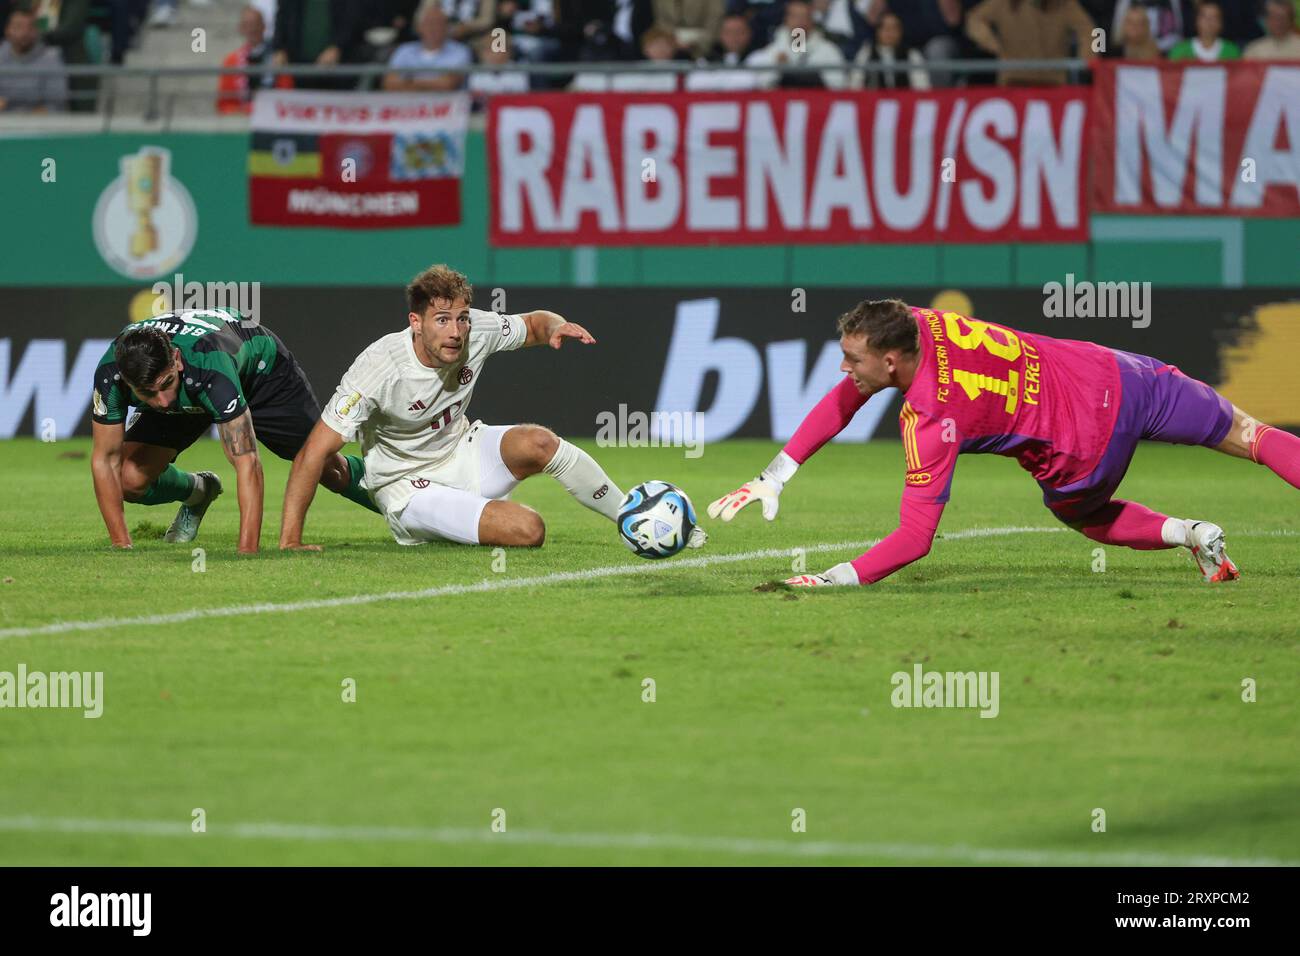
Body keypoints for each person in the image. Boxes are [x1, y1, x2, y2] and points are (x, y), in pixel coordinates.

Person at [709, 299, 1300, 588]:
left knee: (1085, 517)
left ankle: (1185, 532)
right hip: (1119, 373)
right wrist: (777, 471)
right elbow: (852, 395)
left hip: (1083, 449)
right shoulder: (916, 320)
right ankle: (1198, 537)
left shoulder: (929, 418)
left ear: (890, 360)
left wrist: (832, 578)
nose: (844, 369)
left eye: (851, 358)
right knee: (1251, 435)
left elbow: (915, 541)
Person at [279, 265, 708, 552]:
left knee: (540, 442)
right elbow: (314, 452)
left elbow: (536, 323)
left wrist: (557, 327)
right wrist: (290, 540)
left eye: (462, 317)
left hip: (461, 452)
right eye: (442, 319)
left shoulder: (477, 329)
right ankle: (439, 521)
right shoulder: (379, 367)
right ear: (416, 323)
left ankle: (630, 519)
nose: (456, 330)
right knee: (529, 530)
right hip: (408, 486)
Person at [90, 310, 377, 553]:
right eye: (146, 393)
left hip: (262, 375)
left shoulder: (210, 367)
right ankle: (199, 491)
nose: (162, 402)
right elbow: (105, 460)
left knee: (327, 468)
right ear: (126, 382)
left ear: (176, 360)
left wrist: (246, 552)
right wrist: (121, 545)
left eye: (166, 384)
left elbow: (247, 463)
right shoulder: (110, 374)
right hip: (193, 386)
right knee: (128, 478)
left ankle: (405, 492)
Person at [965, 0, 1094, 86]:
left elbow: (1094, 31)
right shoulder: (1003, 3)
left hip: (1052, 84)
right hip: (1013, 82)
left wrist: (1089, 59)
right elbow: (974, 19)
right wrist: (991, 43)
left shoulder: (1064, 4)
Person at [745, 0, 847, 89]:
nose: (799, 22)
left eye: (804, 17)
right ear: (786, 19)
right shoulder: (772, 51)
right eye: (795, 17)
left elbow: (838, 85)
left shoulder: (829, 51)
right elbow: (761, 85)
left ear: (811, 20)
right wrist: (777, 69)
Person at [216, 5, 292, 114]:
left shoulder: (278, 57)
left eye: (256, 24)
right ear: (240, 28)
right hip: (240, 120)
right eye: (247, 25)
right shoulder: (231, 61)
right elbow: (224, 104)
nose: (252, 29)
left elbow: (287, 93)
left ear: (264, 26)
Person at [383, 1, 472, 91]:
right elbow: (389, 83)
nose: (434, 28)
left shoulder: (460, 51)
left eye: (439, 23)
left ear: (447, 27)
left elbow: (447, 84)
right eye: (429, 23)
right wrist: (433, 83)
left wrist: (408, 81)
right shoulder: (404, 50)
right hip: (406, 104)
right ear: (419, 27)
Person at [0, 6, 67, 111]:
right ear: (7, 30)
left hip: (38, 124)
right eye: (18, 27)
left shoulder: (52, 58)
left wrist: (25, 120)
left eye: (30, 27)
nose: (24, 33)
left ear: (38, 31)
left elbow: (55, 105)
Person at [1168, 1, 1239, 61]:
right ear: (1196, 21)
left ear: (1221, 23)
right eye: (1204, 17)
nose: (1209, 22)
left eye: (1214, 18)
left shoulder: (1231, 51)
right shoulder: (1180, 50)